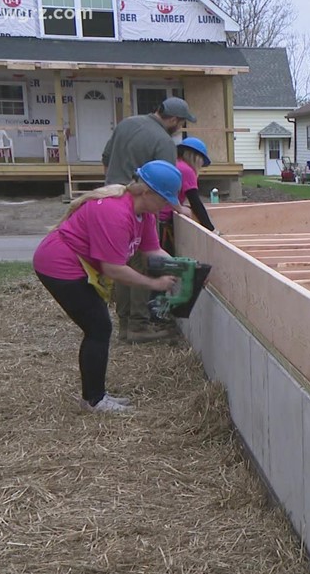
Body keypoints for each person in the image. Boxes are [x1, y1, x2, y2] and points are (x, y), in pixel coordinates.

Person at [32, 160, 184, 414]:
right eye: (164, 199)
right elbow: (113, 269)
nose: (167, 205)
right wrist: (154, 283)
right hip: (59, 264)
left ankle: (95, 396)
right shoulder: (116, 213)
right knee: (98, 327)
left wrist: (187, 269)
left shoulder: (145, 215)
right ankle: (94, 400)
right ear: (147, 192)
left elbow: (153, 251)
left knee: (99, 326)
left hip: (78, 265)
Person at [101, 96, 198, 342]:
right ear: (173, 119)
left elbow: (106, 157)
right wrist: (179, 208)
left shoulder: (127, 123)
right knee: (142, 262)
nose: (180, 128)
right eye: (181, 123)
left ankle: (125, 323)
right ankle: (138, 325)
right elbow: (166, 184)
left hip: (113, 197)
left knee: (121, 261)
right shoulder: (163, 141)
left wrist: (115, 184)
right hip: (142, 204)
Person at [158, 137, 216, 255]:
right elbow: (195, 203)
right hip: (163, 221)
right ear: (195, 157)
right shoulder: (186, 170)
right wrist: (211, 230)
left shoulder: (176, 164)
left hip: (156, 216)